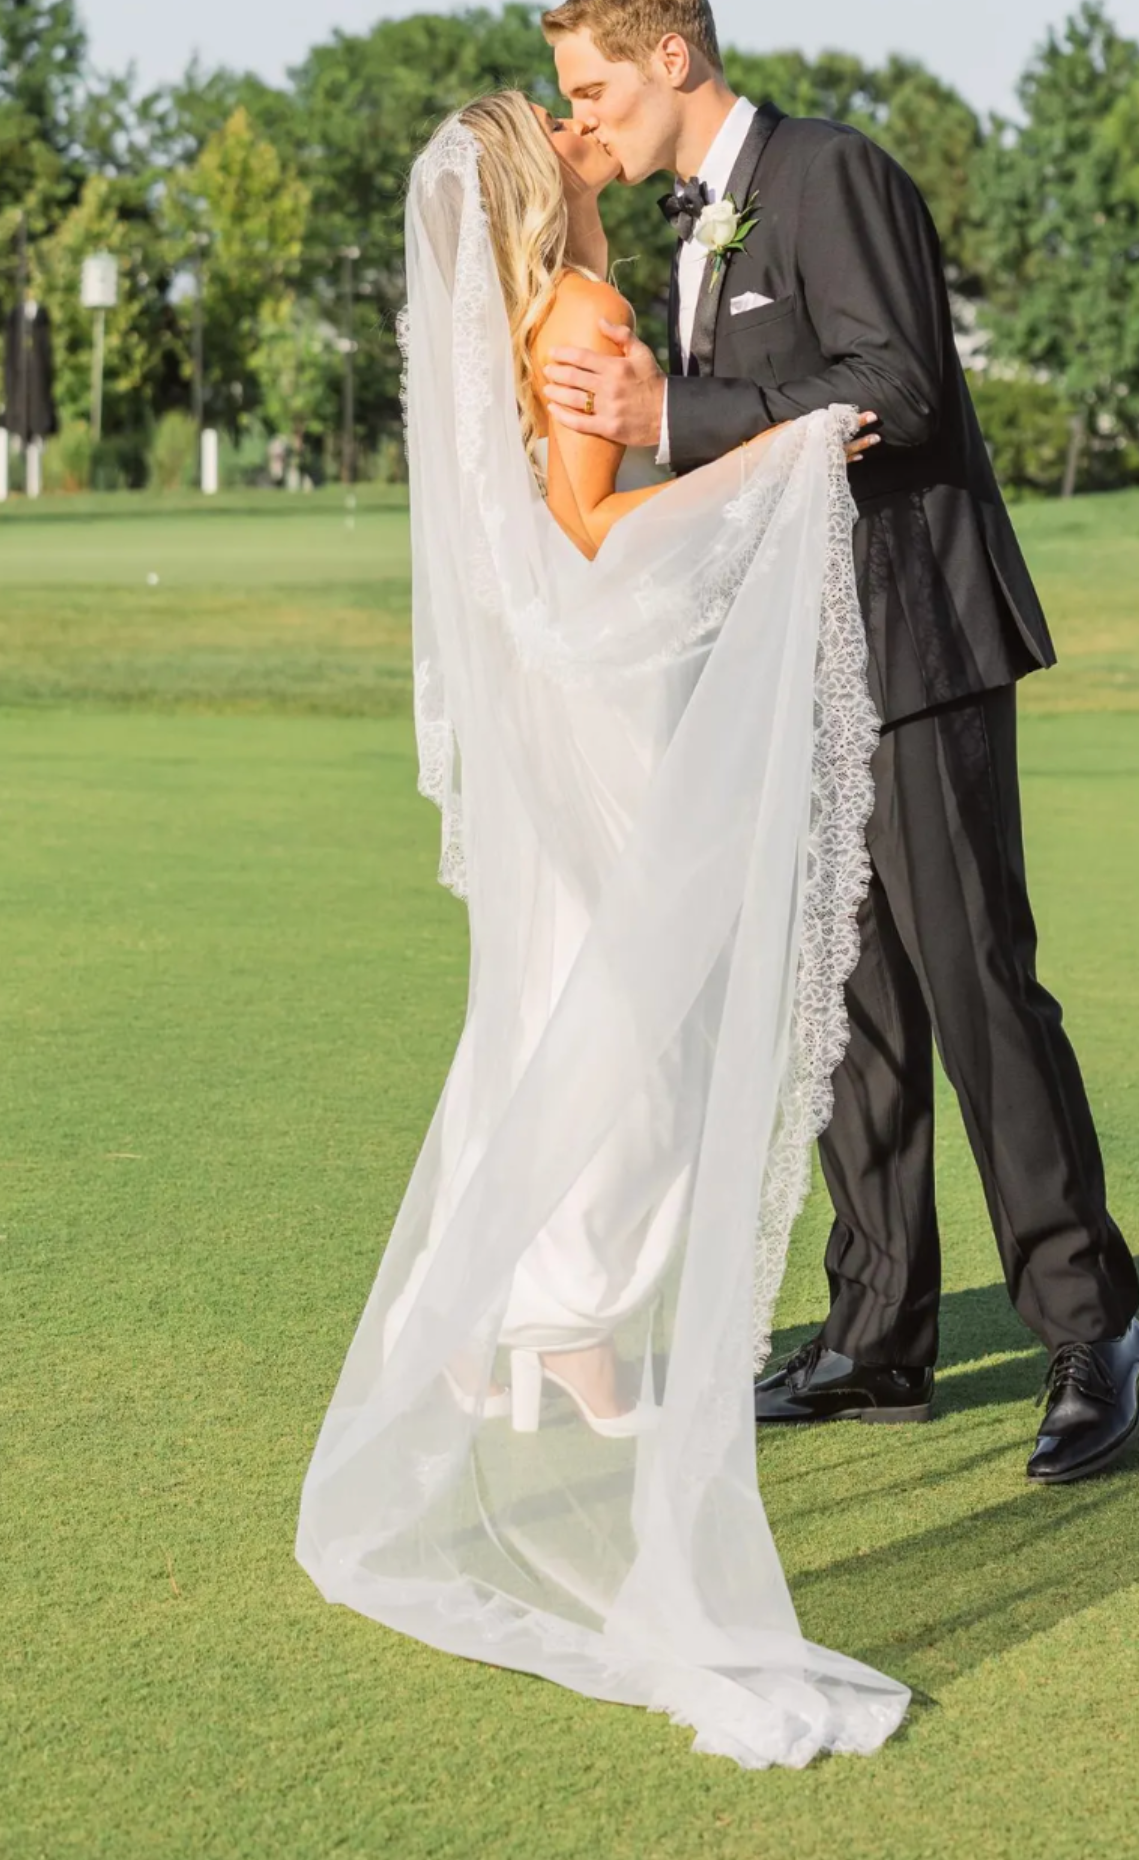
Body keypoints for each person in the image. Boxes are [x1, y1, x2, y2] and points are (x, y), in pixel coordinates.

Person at [297, 89, 908, 1768]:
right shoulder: (579, 308)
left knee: (576, 977)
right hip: (615, 688)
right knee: (642, 996)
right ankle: (565, 1306)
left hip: (576, 696)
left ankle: (522, 1321)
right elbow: (585, 528)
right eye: (563, 138)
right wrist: (772, 458)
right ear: (538, 190)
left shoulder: (514, 321)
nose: (590, 145)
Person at [537, 0, 1139, 1485]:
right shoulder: (682, 225)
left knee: (974, 989)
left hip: (917, 645)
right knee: (851, 1009)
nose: (581, 117)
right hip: (782, 666)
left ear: (672, 55)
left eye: (593, 90)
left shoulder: (831, 172)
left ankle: (1094, 1326)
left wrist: (662, 419)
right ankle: (876, 1341)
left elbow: (902, 387)